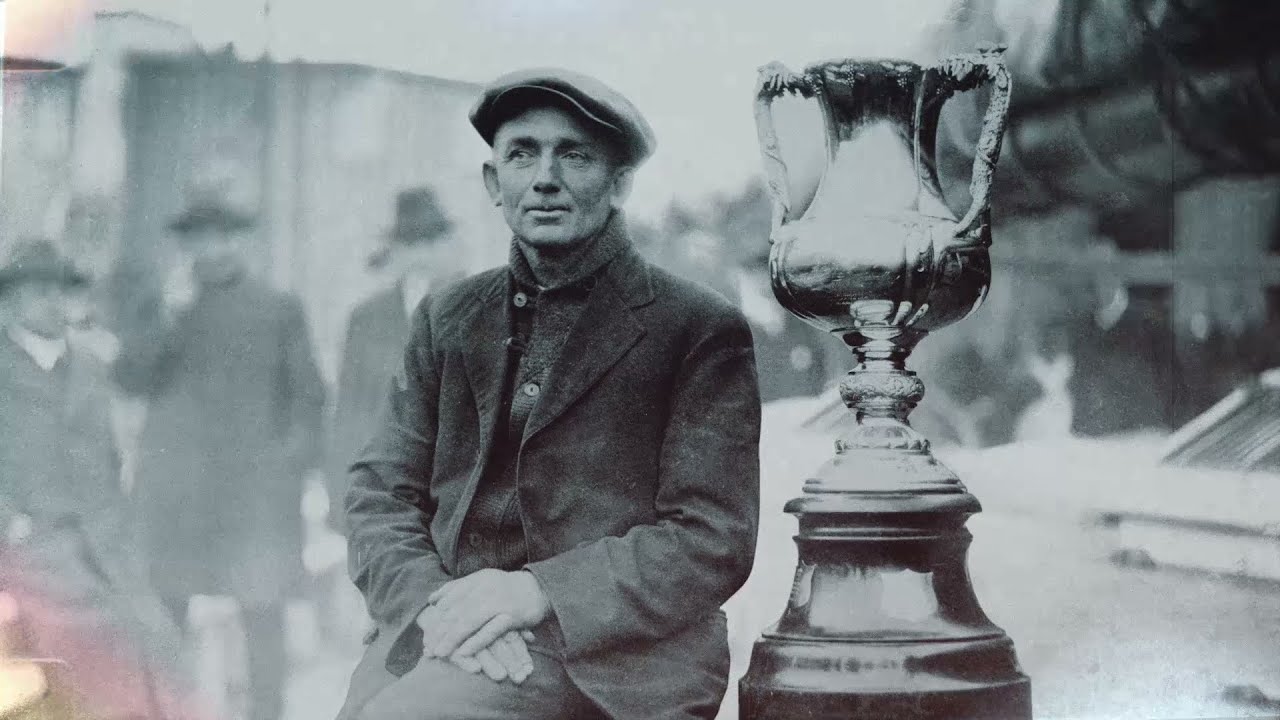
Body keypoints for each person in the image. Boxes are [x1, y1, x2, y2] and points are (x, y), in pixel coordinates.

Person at [337, 68, 762, 720]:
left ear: (620, 183)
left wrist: (538, 594)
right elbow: (377, 493)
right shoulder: (446, 317)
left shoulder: (695, 329)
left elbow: (711, 539)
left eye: (575, 155)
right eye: (521, 153)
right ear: (491, 183)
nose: (544, 178)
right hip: (449, 629)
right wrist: (432, 605)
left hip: (615, 660)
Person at [112, 197, 327, 720]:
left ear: (240, 241)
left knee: (263, 625)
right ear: (186, 247)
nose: (213, 249)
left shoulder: (277, 308)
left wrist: (283, 470)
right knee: (166, 623)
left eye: (223, 236)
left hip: (254, 500)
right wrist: (165, 312)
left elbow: (308, 398)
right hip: (179, 499)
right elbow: (128, 378)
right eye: (200, 239)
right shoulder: (163, 306)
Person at [0, 239, 183, 719]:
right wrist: (10, 523)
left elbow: (106, 460)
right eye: (38, 292)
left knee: (153, 643)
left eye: (61, 291)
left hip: (102, 547)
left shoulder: (90, 365)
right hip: (26, 549)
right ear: (10, 302)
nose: (52, 303)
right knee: (59, 662)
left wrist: (116, 525)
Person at [327, 186, 462, 533]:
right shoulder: (366, 319)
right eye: (410, 245)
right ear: (396, 251)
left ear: (448, 246)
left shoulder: (476, 309)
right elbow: (349, 415)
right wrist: (344, 501)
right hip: (386, 497)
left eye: (430, 243)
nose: (421, 257)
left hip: (453, 499)